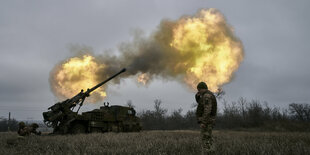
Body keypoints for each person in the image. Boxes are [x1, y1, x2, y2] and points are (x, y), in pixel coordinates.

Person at [195, 82, 217, 154]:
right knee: (207, 138)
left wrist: (204, 122)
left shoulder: (206, 96)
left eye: (199, 90)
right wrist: (197, 97)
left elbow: (207, 110)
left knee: (206, 138)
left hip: (207, 121)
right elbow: (202, 104)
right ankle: (210, 151)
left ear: (202, 89)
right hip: (208, 121)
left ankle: (208, 152)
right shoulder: (206, 95)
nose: (198, 91)